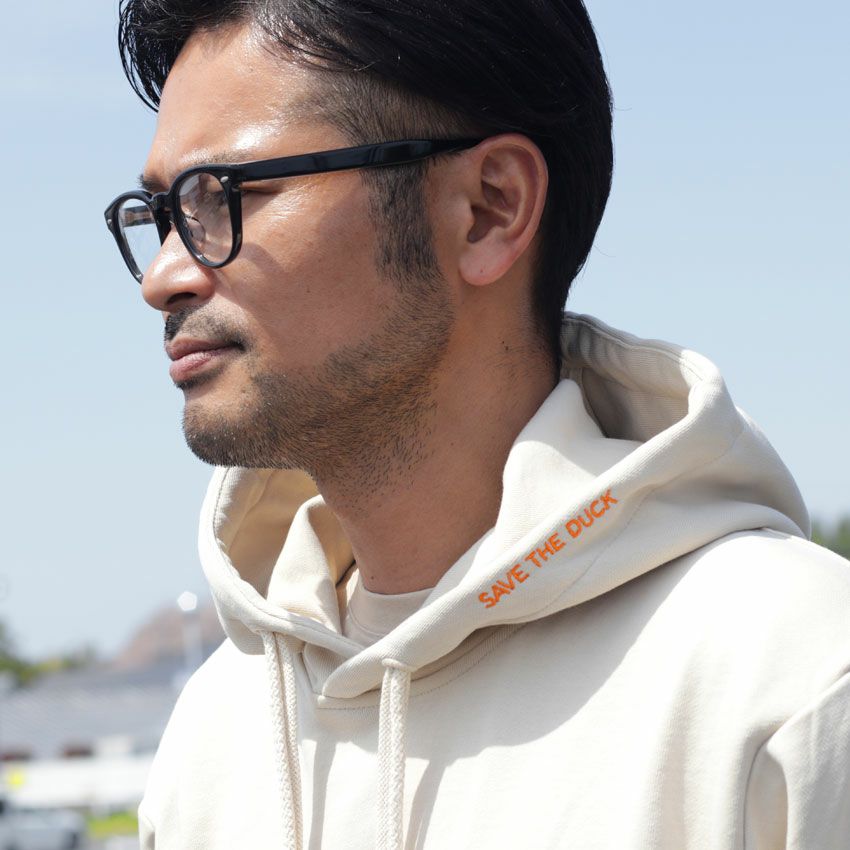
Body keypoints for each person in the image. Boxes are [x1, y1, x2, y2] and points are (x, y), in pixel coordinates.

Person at [105, 0, 850, 848]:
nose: (162, 277)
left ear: (489, 209)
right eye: (161, 213)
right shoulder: (216, 742)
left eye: (226, 196)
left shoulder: (793, 684)